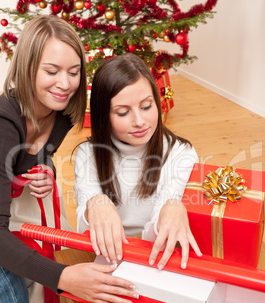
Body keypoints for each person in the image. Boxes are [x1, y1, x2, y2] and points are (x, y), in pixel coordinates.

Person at [0, 16, 137, 303]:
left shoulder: (61, 114)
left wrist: (42, 170)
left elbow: (36, 155)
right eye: (52, 71)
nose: (65, 84)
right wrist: (63, 279)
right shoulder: (4, 121)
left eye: (74, 71)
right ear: (28, 67)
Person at [74, 53, 202, 273]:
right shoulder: (88, 154)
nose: (139, 122)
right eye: (123, 112)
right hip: (108, 258)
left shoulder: (181, 153)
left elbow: (158, 237)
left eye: (146, 106)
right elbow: (84, 230)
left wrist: (171, 207)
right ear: (104, 115)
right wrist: (93, 204)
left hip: (160, 260)